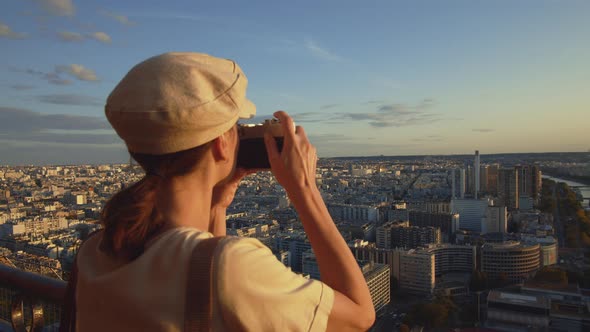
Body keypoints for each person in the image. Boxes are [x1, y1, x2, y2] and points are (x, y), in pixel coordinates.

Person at [72, 52, 375, 331]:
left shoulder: (98, 249)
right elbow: (360, 316)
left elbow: (205, 292)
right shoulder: (232, 268)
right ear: (221, 143)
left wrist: (217, 207)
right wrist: (305, 190)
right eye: (237, 128)